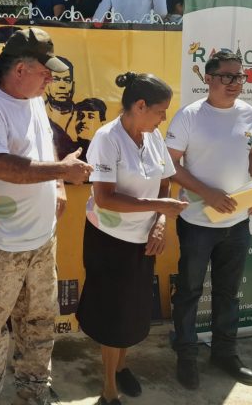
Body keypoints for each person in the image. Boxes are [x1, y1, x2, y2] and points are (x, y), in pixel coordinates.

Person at [0, 27, 94, 405]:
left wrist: (58, 184)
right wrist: (61, 171)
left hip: (41, 239)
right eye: (45, 71)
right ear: (20, 69)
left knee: (39, 322)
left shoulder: (33, 98)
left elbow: (43, 144)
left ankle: (34, 391)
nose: (50, 79)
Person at [76, 73, 188, 405]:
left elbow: (165, 182)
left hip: (143, 238)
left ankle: (122, 367)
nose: (163, 118)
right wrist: (160, 207)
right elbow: (105, 198)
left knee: (132, 310)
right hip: (109, 239)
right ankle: (108, 389)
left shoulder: (153, 136)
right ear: (140, 106)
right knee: (113, 313)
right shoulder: (107, 138)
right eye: (160, 111)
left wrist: (159, 223)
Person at [165, 50, 252, 390]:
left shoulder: (249, 113)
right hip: (197, 223)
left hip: (237, 224)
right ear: (208, 79)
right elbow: (170, 165)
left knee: (228, 293)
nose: (235, 83)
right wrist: (206, 193)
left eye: (240, 77)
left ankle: (225, 353)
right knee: (189, 292)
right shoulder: (189, 116)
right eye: (227, 76)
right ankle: (186, 355)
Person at [73, 97, 107, 161]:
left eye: (91, 117)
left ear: (102, 123)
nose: (83, 120)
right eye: (80, 115)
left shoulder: (109, 150)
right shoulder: (67, 149)